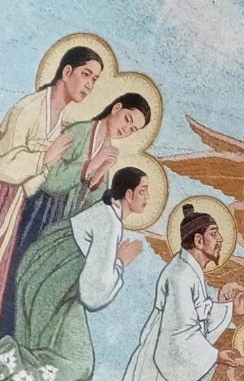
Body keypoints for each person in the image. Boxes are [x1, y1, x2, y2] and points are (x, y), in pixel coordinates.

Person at [66, 202, 244, 381]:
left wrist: (228, 309)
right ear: (198, 240)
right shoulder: (181, 275)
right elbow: (179, 331)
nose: (220, 240)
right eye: (214, 233)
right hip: (163, 359)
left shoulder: (190, 271)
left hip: (169, 358)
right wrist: (215, 356)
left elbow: (197, 312)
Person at [0, 92, 150, 338]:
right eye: (127, 120)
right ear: (116, 107)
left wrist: (98, 177)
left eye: (133, 129)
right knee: (18, 277)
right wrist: (88, 167)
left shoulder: (108, 150)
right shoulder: (79, 132)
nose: (127, 129)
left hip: (63, 225)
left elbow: (91, 204)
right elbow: (49, 178)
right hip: (40, 212)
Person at [0, 167, 147, 381]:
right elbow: (93, 294)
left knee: (66, 361)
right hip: (52, 283)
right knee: (75, 366)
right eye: (144, 191)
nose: (147, 197)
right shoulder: (109, 221)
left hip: (50, 279)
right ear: (128, 194)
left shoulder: (108, 215)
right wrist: (120, 263)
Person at [0, 46, 103, 335]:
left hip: (15, 207)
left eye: (94, 79)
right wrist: (43, 159)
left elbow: (39, 180)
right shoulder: (28, 109)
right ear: (66, 71)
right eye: (86, 74)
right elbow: (3, 166)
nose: (89, 85)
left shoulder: (60, 121)